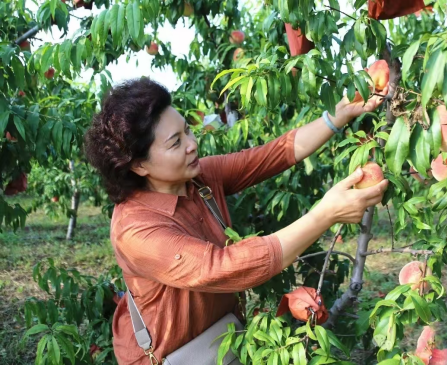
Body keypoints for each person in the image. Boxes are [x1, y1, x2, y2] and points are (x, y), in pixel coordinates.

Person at [84, 77, 389, 365]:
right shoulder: (136, 230)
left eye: (187, 131)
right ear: (138, 165)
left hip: (218, 339)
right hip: (170, 355)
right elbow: (221, 267)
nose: (192, 144)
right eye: (175, 142)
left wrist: (336, 117)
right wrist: (326, 214)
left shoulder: (198, 178)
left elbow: (271, 156)